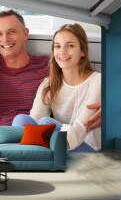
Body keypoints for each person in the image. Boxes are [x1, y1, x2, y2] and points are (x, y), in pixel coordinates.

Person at [12, 23, 101, 152]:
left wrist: (54, 143)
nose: (62, 52)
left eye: (70, 46)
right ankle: (28, 158)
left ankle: (35, 157)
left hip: (85, 146)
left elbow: (82, 126)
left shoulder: (97, 81)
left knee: (45, 123)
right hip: (57, 144)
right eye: (57, 46)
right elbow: (34, 121)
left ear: (82, 51)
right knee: (21, 120)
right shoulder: (48, 84)